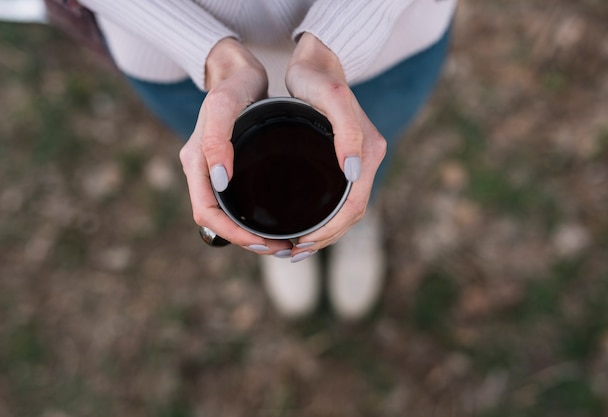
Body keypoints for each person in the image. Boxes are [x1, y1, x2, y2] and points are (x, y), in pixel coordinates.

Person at [77, 0, 458, 320]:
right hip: (167, 47)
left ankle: (352, 216)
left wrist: (346, 28)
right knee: (228, 161)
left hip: (382, 36)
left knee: (360, 157)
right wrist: (203, 49)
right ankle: (285, 237)